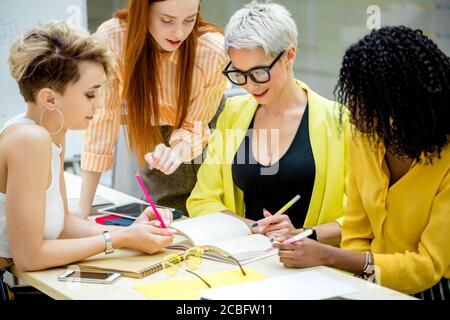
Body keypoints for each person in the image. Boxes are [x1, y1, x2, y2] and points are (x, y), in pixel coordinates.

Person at [0, 21, 175, 300]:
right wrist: (119, 239)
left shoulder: (50, 131)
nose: (100, 104)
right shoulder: (29, 141)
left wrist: (133, 231)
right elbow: (29, 258)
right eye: (90, 94)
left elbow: (63, 224)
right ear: (49, 99)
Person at [274, 26, 450, 300]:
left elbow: (428, 267)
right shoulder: (365, 137)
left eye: (365, 101)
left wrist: (330, 256)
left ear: (403, 103)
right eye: (352, 95)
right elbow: (356, 231)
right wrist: (360, 278)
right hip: (369, 283)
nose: (353, 110)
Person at [187, 1, 348, 245]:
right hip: (249, 261)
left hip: (317, 267)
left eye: (260, 72)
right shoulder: (233, 113)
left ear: (290, 55)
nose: (250, 85)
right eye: (239, 73)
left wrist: (303, 233)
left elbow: (362, 217)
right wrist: (254, 228)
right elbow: (202, 200)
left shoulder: (339, 121)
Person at [79, 0, 228, 217]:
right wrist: (83, 210)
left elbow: (196, 126)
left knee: (212, 210)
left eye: (189, 20)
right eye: (166, 20)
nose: (179, 32)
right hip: (151, 127)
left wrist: (177, 151)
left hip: (208, 128)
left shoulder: (211, 49)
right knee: (163, 212)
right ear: (143, 11)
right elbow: (103, 120)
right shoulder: (113, 38)